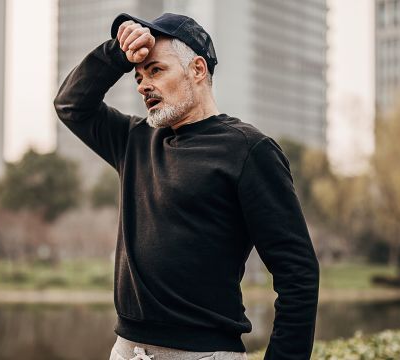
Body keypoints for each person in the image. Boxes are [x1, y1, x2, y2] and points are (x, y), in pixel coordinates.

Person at [54, 12, 320, 360]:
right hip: (127, 350)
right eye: (138, 75)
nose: (142, 85)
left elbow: (297, 272)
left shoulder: (248, 149)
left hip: (204, 354)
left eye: (155, 70)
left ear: (196, 70)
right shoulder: (134, 140)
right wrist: (118, 53)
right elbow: (71, 105)